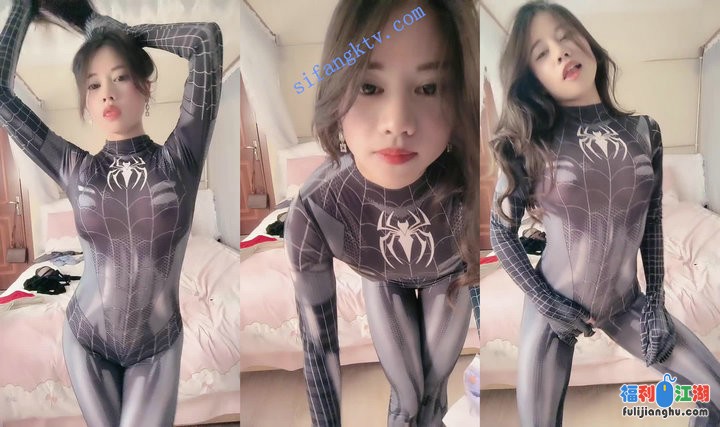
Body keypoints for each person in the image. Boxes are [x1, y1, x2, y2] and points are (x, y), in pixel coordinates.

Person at [489, 1, 720, 426]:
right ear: (532, 78)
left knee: (715, 397)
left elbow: (652, 221)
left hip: (626, 303)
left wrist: (655, 303)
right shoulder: (529, 140)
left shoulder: (645, 131)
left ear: (588, 43)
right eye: (541, 53)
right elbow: (500, 233)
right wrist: (547, 303)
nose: (560, 51)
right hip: (550, 306)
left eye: (565, 36)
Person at [0, 0, 223, 425]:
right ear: (86, 102)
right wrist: (23, 7)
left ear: (145, 87)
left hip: (156, 347)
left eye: (120, 76)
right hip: (86, 339)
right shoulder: (74, 168)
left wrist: (114, 32)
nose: (107, 92)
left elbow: (204, 39)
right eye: (93, 84)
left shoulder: (182, 158)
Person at [284, 0, 480, 425]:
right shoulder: (316, 208)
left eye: (429, 88)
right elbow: (319, 350)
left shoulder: (472, 187)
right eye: (369, 87)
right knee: (406, 399)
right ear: (335, 90)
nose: (397, 123)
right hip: (382, 276)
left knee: (432, 397)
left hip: (450, 276)